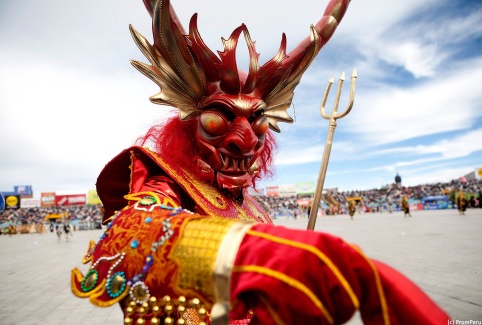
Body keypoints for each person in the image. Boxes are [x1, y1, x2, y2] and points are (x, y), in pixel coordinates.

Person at [71, 0, 450, 324]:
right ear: (191, 118)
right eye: (219, 119)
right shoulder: (166, 181)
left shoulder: (251, 204)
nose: (243, 139)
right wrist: (261, 256)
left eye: (258, 121)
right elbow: (132, 233)